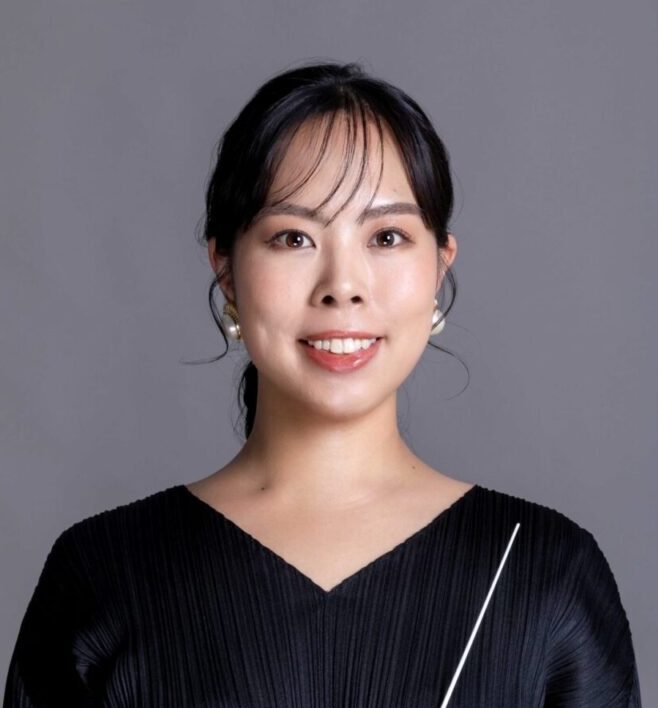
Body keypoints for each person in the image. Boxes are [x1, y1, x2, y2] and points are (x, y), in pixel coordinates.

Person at [3, 62, 641, 707]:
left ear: (438, 266)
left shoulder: (542, 570)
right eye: (293, 237)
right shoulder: (102, 572)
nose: (343, 285)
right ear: (226, 270)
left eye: (386, 236)